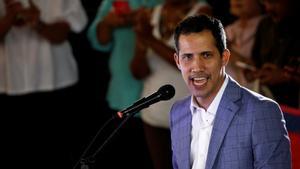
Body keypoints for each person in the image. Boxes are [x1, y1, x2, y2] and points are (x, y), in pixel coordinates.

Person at [170, 14, 291, 169]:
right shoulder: (177, 112)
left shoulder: (261, 112)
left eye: (206, 55)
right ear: (178, 61)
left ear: (224, 57)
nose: (197, 67)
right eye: (187, 57)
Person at [0, 0, 87, 168]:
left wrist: (37, 23)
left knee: (58, 154)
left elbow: (61, 35)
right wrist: (9, 17)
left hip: (56, 85)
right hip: (8, 85)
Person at [132, 1, 211, 169]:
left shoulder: (202, 13)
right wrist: (140, 43)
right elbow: (138, 73)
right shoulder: (152, 13)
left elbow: (192, 65)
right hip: (153, 115)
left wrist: (149, 38)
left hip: (191, 118)